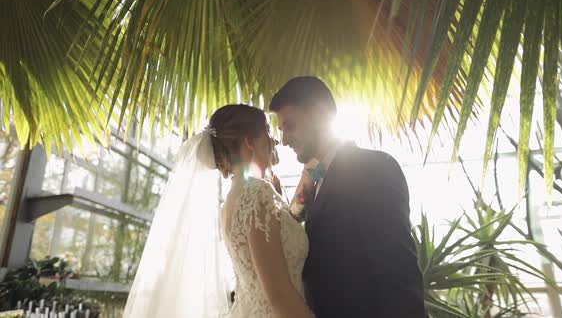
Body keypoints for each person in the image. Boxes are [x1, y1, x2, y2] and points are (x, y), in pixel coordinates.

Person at [123, 104, 313, 318]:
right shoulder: (258, 194)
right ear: (249, 141)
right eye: (268, 132)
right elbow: (279, 294)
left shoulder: (231, 202)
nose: (275, 140)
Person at [270, 76, 425, 318]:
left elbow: (398, 273)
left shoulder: (373, 168)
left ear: (320, 115)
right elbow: (298, 221)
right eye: (280, 130)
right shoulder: (316, 175)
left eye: (289, 125)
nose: (283, 140)